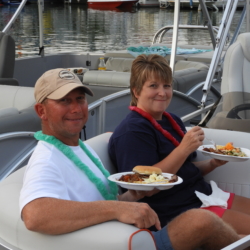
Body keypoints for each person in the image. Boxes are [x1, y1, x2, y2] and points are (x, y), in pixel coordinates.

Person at [19, 68, 245, 250]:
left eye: (80, 99)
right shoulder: (46, 158)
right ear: (42, 111)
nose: (76, 108)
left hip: (131, 232)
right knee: (200, 222)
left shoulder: (77, 148)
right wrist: (116, 209)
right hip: (122, 241)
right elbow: (35, 215)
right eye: (64, 101)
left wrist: (130, 197)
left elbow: (101, 198)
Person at [108, 54, 250, 235]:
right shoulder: (132, 131)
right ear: (136, 91)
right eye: (153, 86)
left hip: (204, 195)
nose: (162, 92)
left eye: (166, 86)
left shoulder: (171, 120)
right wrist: (184, 148)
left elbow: (183, 170)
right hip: (179, 211)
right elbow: (146, 187)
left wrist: (213, 163)